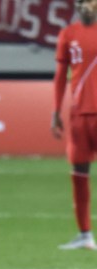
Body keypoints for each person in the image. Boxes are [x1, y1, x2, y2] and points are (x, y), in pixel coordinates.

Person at [52, 0, 97, 250]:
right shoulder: (68, 34)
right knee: (79, 173)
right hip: (79, 115)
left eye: (89, 1)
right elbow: (60, 76)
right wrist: (55, 110)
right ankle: (85, 235)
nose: (84, 6)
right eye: (80, 2)